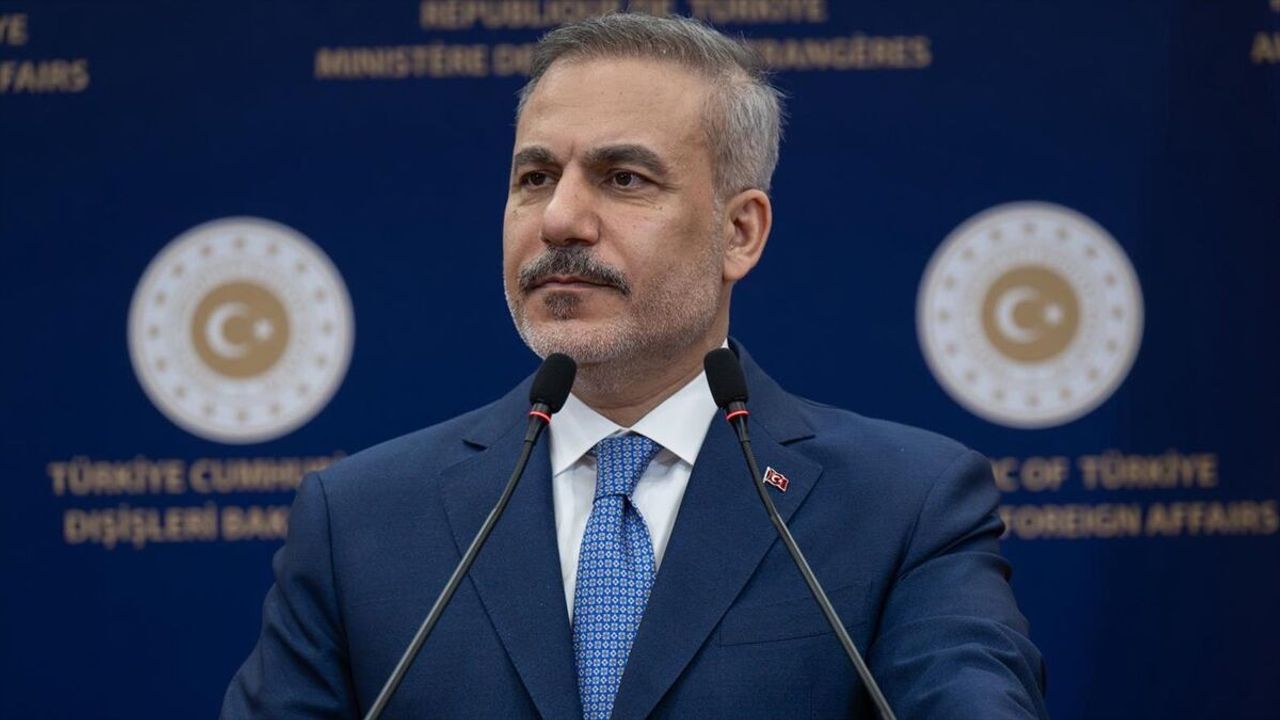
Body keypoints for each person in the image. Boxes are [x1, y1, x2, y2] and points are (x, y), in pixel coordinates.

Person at [221, 13, 1048, 719]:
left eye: (623, 178)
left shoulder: (904, 506)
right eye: (535, 177)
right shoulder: (358, 522)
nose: (560, 219)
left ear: (740, 233)